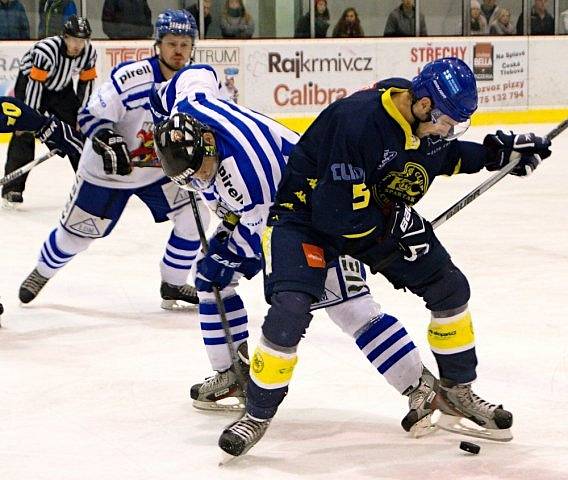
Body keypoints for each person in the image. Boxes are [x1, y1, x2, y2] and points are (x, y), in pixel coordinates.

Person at [208, 57, 552, 457]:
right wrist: (395, 227)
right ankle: (257, 413)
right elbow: (338, 214)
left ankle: (456, 390)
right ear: (423, 104)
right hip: (304, 217)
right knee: (291, 307)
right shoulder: (359, 122)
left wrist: (501, 155)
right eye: (445, 120)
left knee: (449, 287)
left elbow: (444, 155)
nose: (447, 130)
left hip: (371, 214)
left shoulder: (420, 119)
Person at [151, 63, 441, 432]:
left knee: (350, 306)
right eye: (191, 178)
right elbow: (197, 72)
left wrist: (225, 255)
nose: (202, 179)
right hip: (280, 207)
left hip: (312, 210)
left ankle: (421, 387)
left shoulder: (248, 174)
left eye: (203, 169)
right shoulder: (190, 104)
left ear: (209, 144)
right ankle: (232, 373)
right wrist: (158, 107)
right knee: (211, 282)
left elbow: (255, 239)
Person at [18, 10, 208, 311]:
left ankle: (172, 283)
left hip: (158, 173)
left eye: (185, 44)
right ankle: (42, 271)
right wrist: (108, 137)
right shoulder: (131, 77)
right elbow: (90, 114)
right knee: (76, 238)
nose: (179, 51)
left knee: (194, 221)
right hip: (107, 173)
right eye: (172, 43)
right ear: (158, 44)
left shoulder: (197, 82)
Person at [1, 15, 96, 206]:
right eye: (74, 39)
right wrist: (29, 119)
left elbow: (87, 84)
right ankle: (12, 188)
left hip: (61, 89)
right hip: (30, 85)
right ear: (65, 37)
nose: (78, 45)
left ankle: (89, 185)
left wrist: (82, 116)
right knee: (24, 134)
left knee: (78, 134)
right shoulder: (47, 50)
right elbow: (35, 86)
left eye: (82, 40)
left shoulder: (89, 53)